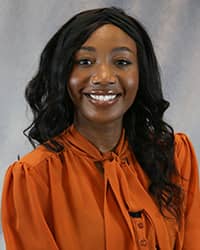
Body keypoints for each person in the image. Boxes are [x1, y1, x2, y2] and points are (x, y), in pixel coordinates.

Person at [1, 7, 200, 250]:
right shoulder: (33, 179)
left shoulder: (175, 155)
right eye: (85, 61)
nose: (104, 76)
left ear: (141, 74)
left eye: (122, 62)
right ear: (63, 73)